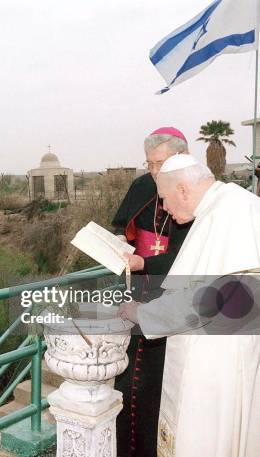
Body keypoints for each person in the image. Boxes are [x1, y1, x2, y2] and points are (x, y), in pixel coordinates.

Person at [119, 154, 260, 457]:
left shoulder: (223, 216)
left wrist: (140, 313)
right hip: (231, 349)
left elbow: (204, 301)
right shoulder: (234, 203)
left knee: (206, 439)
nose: (166, 210)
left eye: (165, 200)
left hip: (217, 363)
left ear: (183, 189)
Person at [112, 127, 192, 457]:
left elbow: (189, 257)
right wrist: (119, 245)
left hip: (174, 299)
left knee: (163, 392)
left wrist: (143, 262)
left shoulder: (192, 191)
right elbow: (126, 230)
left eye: (160, 163)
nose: (155, 172)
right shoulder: (143, 186)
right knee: (129, 386)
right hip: (139, 293)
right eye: (150, 164)